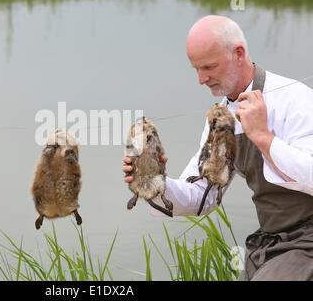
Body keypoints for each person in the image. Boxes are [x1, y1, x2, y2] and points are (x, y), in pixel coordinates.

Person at [122, 15, 313, 281]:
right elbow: (202, 196)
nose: (201, 79)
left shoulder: (296, 100)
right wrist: (153, 183)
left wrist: (262, 137)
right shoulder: (220, 118)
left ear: (238, 54)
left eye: (209, 67)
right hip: (270, 242)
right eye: (196, 69)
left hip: (307, 244)